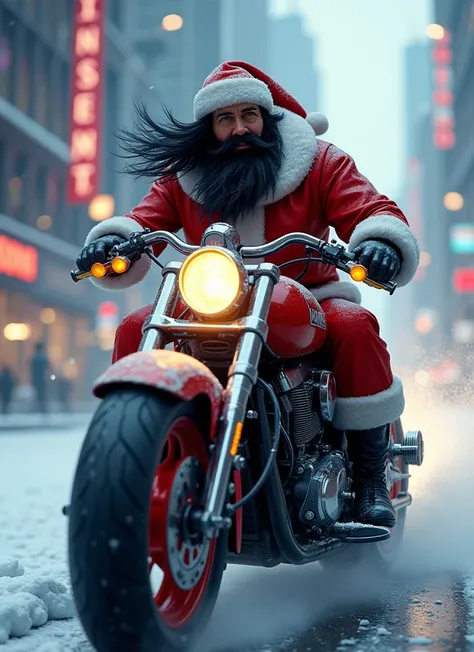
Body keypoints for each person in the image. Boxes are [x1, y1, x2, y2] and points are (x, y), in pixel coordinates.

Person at [76, 61, 420, 528]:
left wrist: (378, 241)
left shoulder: (319, 161)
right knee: (136, 326)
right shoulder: (185, 176)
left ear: (267, 115)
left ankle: (369, 477)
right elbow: (145, 221)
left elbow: (369, 207)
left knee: (355, 326)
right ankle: (128, 455)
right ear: (210, 128)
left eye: (249, 115)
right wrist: (116, 240)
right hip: (209, 297)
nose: (239, 128)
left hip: (310, 294)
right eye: (225, 119)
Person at [30, 342, 50, 414]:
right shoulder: (43, 358)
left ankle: (38, 408)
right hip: (41, 380)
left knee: (37, 394)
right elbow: (47, 369)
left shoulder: (34, 358)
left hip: (36, 379)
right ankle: (42, 408)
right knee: (41, 394)